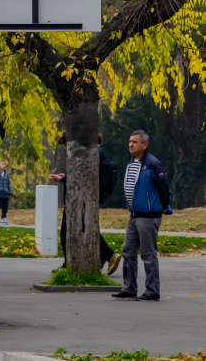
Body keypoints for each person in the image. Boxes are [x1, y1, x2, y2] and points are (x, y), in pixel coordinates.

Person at [112, 129, 171, 301]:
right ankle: (129, 288)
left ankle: (152, 291)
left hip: (148, 216)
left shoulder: (153, 164)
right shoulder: (131, 163)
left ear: (144, 145)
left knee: (148, 254)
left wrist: (163, 206)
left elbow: (164, 189)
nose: (130, 144)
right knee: (128, 252)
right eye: (130, 141)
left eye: (135, 142)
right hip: (134, 215)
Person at [50, 133, 119, 274]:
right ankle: (105, 257)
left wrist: (62, 179)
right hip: (86, 199)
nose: (65, 148)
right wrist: (67, 176)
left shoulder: (85, 155)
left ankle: (108, 255)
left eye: (65, 145)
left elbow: (82, 179)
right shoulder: (97, 154)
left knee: (66, 232)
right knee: (86, 228)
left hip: (79, 200)